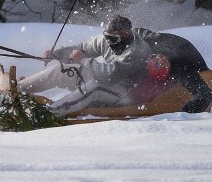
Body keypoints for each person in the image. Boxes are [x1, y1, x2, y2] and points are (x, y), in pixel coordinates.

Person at [17, 15, 154, 113]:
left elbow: (110, 75)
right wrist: (57, 54)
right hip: (106, 82)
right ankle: (18, 88)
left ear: (125, 35)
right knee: (62, 69)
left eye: (112, 39)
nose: (108, 42)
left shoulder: (137, 51)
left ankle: (51, 112)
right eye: (106, 37)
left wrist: (82, 60)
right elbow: (83, 48)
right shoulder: (106, 40)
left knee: (94, 86)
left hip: (127, 93)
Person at [132, 28, 212, 113]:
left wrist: (183, 113)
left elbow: (205, 94)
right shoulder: (147, 46)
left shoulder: (180, 69)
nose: (160, 63)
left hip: (192, 59)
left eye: (163, 64)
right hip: (168, 45)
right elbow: (138, 32)